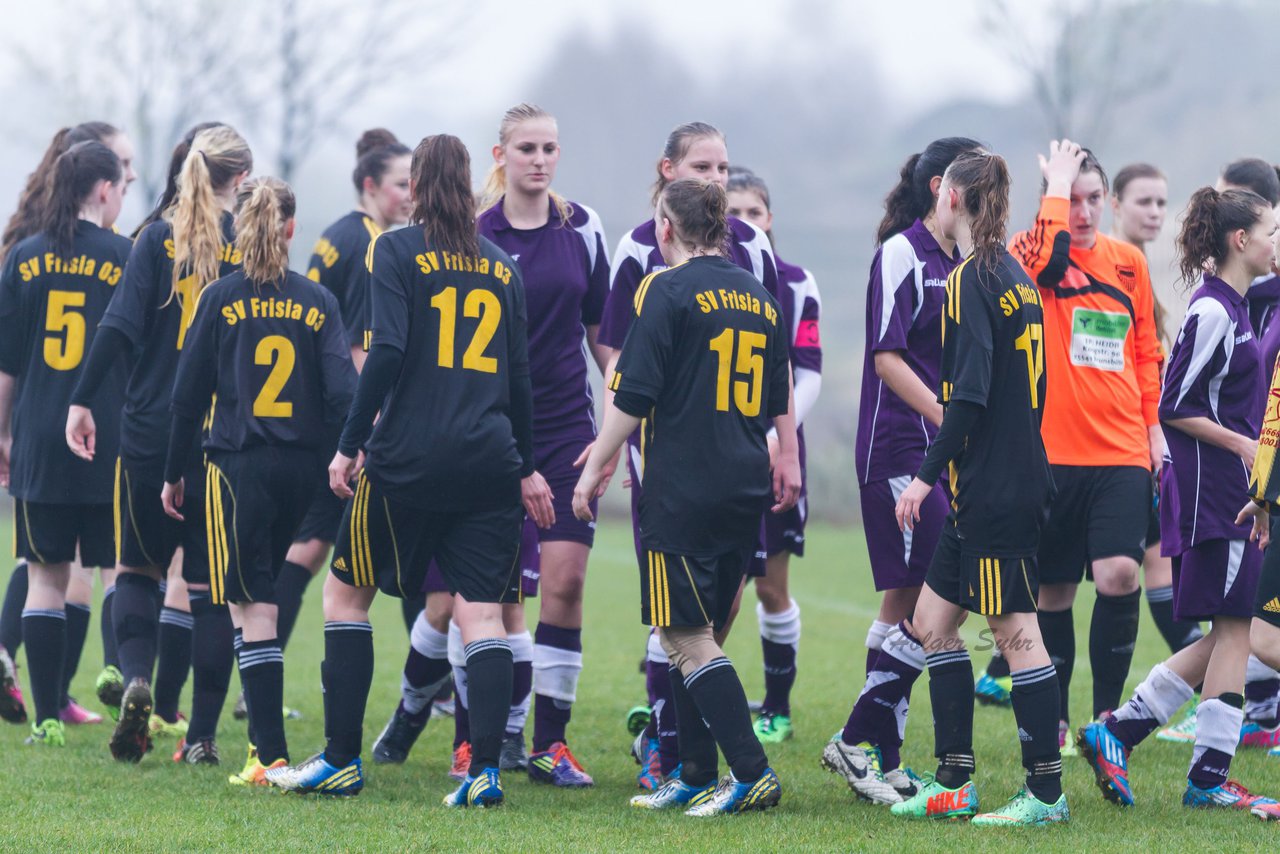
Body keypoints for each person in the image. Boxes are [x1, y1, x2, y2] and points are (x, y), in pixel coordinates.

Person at [265, 134, 538, 809]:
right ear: (472, 187)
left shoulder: (393, 250)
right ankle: (485, 775)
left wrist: (350, 444)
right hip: (489, 463)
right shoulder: (503, 267)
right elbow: (521, 383)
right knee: (483, 618)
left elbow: (383, 353)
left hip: (409, 460)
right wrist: (527, 469)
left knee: (346, 596)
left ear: (414, 187)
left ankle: (339, 761)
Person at [574, 177, 799, 816]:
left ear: (665, 228)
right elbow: (776, 388)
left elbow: (632, 394)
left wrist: (593, 468)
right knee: (696, 632)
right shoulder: (759, 295)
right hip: (744, 483)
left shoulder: (666, 291)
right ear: (722, 228)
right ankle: (696, 773)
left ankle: (751, 774)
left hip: (684, 485)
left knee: (683, 633)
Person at [1079, 184, 1280, 820]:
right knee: (1233, 629)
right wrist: (1246, 449)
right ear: (1240, 241)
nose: (1278, 240)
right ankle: (1197, 771)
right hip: (1212, 494)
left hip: (1237, 496)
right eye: (1271, 231)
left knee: (1233, 629)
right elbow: (1173, 406)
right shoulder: (1213, 311)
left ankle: (1131, 735)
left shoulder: (1242, 305)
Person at [160, 176, 356, 785]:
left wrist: (172, 474)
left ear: (238, 231)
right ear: (291, 229)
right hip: (303, 474)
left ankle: (266, 756)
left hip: (238, 468)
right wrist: (339, 455)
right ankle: (264, 751)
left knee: (251, 607)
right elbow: (343, 393)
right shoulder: (318, 300)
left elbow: (186, 400)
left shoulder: (219, 298)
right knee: (265, 596)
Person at [888, 147, 1063, 826]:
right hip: (992, 484)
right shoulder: (1016, 275)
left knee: (1015, 632)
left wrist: (924, 479)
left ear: (951, 199)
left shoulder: (968, 279)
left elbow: (971, 399)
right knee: (933, 626)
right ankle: (955, 781)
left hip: (993, 486)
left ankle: (1046, 794)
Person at [66, 125, 251, 763]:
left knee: (138, 572)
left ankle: (138, 678)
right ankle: (199, 738)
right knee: (208, 590)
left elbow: (117, 330)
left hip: (148, 431)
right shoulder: (247, 246)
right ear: (242, 179)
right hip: (224, 441)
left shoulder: (152, 239)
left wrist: (82, 400)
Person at [991, 141, 1163, 752]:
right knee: (1053, 592)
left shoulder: (1128, 264)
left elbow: (1144, 351)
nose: (1084, 212)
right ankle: (1056, 718)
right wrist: (1054, 190)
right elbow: (1037, 261)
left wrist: (1153, 429)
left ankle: (1108, 719)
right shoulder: (1031, 252)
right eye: (1073, 199)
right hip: (1049, 454)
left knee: (1119, 572)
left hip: (1120, 452)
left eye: (1094, 199)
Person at [828, 138, 980, 803]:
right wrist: (949, 422)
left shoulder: (968, 262)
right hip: (898, 450)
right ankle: (855, 741)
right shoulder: (900, 253)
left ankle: (882, 761)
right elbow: (887, 356)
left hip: (942, 454)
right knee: (934, 597)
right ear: (946, 186)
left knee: (903, 603)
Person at [0, 120, 138, 727]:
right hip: (107, 437)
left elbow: (5, 367)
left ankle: (47, 718)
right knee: (116, 569)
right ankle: (116, 667)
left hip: (37, 436)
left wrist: (1, 434)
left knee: (45, 579)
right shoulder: (125, 256)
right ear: (105, 190)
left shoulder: (22, 259)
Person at [271, 129, 412, 669]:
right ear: (372, 185)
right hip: (348, 420)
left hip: (321, 410)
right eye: (402, 185)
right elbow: (357, 346)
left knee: (310, 548)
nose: (412, 195)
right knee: (391, 547)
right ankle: (436, 686)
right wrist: (372, 427)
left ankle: (260, 663)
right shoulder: (373, 243)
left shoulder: (339, 233)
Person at [725, 167, 821, 745]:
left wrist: (776, 439)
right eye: (731, 212)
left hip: (776, 449)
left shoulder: (795, 281)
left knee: (768, 586)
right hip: (716, 452)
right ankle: (671, 704)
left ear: (770, 218)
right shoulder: (697, 275)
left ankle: (777, 708)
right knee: (707, 586)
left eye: (753, 213)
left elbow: (807, 372)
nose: (743, 224)